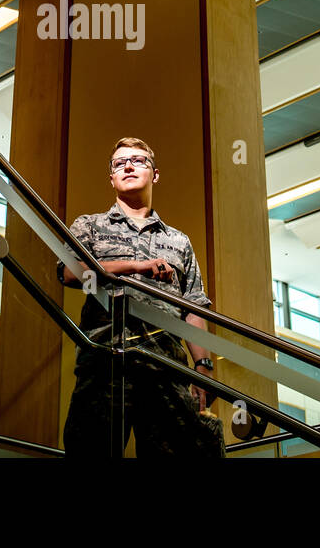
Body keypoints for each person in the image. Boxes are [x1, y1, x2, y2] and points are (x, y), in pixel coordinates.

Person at [56, 137, 225, 457]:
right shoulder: (89, 226)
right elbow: (68, 273)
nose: (128, 166)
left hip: (166, 370)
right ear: (111, 177)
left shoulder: (178, 241)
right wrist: (135, 266)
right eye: (119, 163)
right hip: (104, 363)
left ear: (155, 174)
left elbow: (192, 307)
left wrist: (203, 367)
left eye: (138, 160)